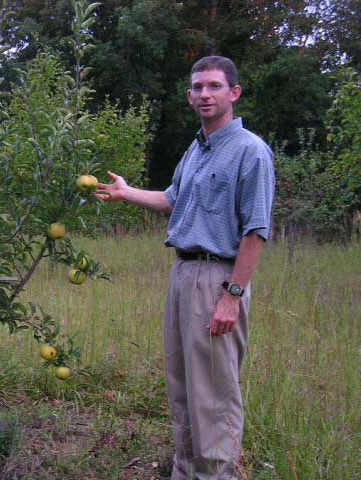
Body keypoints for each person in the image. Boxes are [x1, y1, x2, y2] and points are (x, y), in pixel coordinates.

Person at [96, 56, 275, 479]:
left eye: (214, 86)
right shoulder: (197, 147)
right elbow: (173, 201)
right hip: (183, 275)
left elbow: (255, 232)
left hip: (218, 278)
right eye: (197, 87)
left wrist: (231, 296)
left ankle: (217, 474)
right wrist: (127, 194)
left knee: (213, 393)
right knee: (182, 387)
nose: (204, 94)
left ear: (234, 93)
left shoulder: (250, 151)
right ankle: (186, 471)